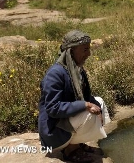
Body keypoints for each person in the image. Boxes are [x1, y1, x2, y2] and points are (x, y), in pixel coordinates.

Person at [38, 30, 110, 163]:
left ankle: (77, 143)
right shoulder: (55, 74)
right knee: (88, 112)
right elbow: (53, 108)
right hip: (53, 133)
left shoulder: (77, 70)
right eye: (85, 50)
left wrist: (96, 107)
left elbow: (87, 96)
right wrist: (85, 105)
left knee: (99, 102)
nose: (88, 54)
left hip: (66, 122)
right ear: (71, 51)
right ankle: (70, 150)